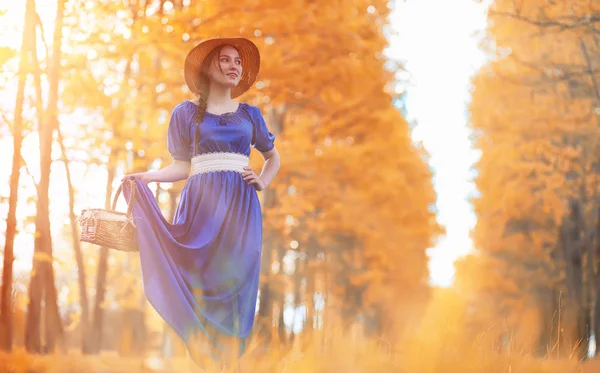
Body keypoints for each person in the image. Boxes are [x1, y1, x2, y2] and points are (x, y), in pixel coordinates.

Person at [120, 37, 280, 371]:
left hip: (241, 210)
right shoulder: (186, 114)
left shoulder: (251, 115)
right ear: (207, 67)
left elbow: (272, 157)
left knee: (235, 283)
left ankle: (228, 364)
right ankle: (202, 362)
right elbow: (182, 166)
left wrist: (262, 181)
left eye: (238, 61)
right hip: (200, 209)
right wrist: (146, 178)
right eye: (225, 59)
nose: (234, 66)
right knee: (199, 283)